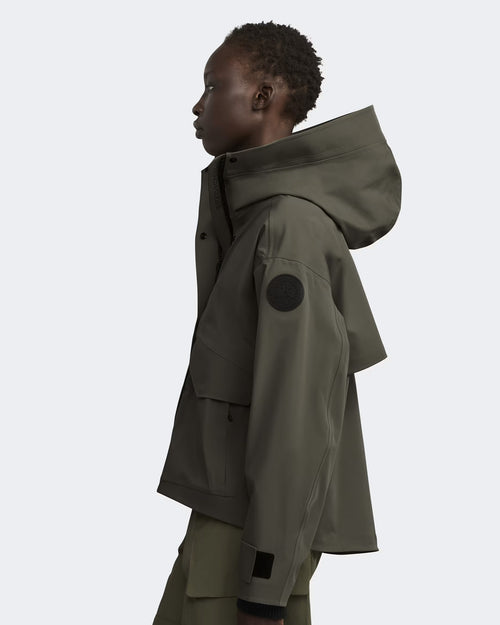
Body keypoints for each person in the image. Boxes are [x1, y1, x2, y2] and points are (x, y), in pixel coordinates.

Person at [152, 20, 402, 625]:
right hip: (225, 527)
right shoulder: (257, 220)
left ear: (262, 96)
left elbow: (296, 420)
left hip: (244, 544)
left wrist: (262, 586)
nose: (197, 105)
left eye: (213, 86)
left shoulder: (287, 230)